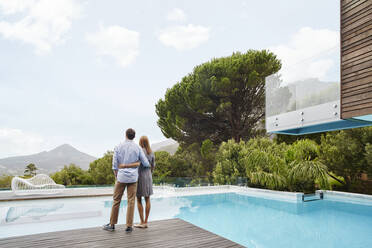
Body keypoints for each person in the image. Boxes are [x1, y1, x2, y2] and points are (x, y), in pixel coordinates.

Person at [103, 128, 150, 233]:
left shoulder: (118, 146)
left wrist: (116, 175)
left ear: (125, 135)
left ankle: (112, 225)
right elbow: (146, 163)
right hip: (133, 178)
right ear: (134, 136)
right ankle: (129, 226)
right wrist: (136, 163)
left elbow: (114, 165)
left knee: (116, 200)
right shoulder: (137, 148)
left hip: (121, 177)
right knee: (131, 201)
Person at [133, 136, 155, 228]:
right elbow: (153, 166)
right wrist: (149, 173)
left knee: (138, 199)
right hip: (148, 176)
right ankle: (146, 221)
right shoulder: (151, 152)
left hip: (140, 176)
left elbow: (135, 164)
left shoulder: (139, 152)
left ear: (140, 142)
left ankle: (142, 222)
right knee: (147, 199)